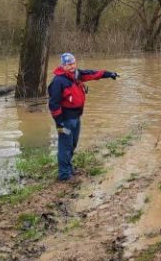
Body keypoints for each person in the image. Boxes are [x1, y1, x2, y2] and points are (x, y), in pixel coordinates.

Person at [47, 52, 118, 181]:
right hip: (64, 120)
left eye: (73, 63)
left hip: (76, 117)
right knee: (65, 146)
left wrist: (109, 74)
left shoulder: (77, 74)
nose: (72, 66)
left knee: (73, 144)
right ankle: (64, 175)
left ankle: (68, 168)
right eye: (68, 64)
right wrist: (59, 123)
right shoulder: (58, 81)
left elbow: (92, 74)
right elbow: (53, 104)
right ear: (63, 66)